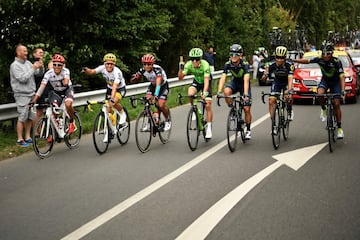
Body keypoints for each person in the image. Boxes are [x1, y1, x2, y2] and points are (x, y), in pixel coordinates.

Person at [293, 43, 345, 139]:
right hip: (325, 81)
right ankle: (324, 109)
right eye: (323, 53)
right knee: (319, 94)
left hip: (335, 82)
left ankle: (339, 128)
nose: (325, 56)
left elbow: (342, 77)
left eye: (327, 54)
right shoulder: (319, 59)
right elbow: (306, 61)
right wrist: (294, 60)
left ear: (332, 53)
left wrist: (343, 90)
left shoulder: (337, 61)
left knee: (336, 104)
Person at [30, 54, 77, 134]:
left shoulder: (66, 71)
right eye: (54, 64)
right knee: (53, 109)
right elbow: (41, 88)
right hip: (57, 92)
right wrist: (34, 100)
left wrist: (64, 82)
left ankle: (72, 122)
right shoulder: (48, 73)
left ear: (63, 66)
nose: (57, 67)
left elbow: (66, 82)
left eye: (59, 65)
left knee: (68, 104)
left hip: (67, 89)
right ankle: (55, 132)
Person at [10, 44, 43, 147]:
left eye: (26, 51)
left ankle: (28, 137)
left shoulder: (28, 63)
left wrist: (41, 67)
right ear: (18, 52)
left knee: (30, 117)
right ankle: (20, 139)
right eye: (24, 51)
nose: (26, 53)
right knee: (22, 117)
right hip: (21, 95)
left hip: (31, 95)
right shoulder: (14, 65)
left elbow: (38, 74)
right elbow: (22, 79)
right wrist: (33, 68)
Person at [217, 44, 252, 140]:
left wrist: (245, 93)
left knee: (246, 109)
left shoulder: (244, 64)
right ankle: (233, 110)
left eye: (236, 55)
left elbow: (246, 79)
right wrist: (219, 91)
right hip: (235, 82)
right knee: (226, 91)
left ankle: (248, 130)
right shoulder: (227, 64)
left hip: (244, 84)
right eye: (231, 54)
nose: (233, 57)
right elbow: (223, 77)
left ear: (240, 55)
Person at [82, 53, 127, 128]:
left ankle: (123, 114)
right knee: (108, 108)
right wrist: (86, 70)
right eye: (107, 64)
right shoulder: (102, 68)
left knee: (113, 102)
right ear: (104, 63)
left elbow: (115, 87)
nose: (109, 66)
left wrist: (112, 99)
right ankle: (110, 128)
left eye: (111, 64)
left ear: (114, 64)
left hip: (119, 88)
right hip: (109, 88)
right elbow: (92, 71)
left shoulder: (117, 72)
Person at [178, 47, 213, 139]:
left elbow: (206, 81)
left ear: (200, 59)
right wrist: (181, 69)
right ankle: (194, 109)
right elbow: (180, 78)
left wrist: (205, 92)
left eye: (196, 59)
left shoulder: (205, 65)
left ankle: (209, 127)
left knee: (208, 104)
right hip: (197, 81)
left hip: (206, 82)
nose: (194, 61)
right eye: (192, 59)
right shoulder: (189, 65)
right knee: (190, 93)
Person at [130, 53, 171, 131]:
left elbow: (158, 83)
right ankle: (149, 122)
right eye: (144, 64)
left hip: (162, 86)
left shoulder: (157, 69)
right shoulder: (142, 70)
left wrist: (155, 95)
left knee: (161, 104)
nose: (146, 66)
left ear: (152, 64)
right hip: (152, 85)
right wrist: (133, 78)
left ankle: (167, 120)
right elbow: (135, 78)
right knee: (147, 102)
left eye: (149, 64)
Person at [264, 46, 295, 125]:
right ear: (275, 57)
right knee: (271, 100)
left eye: (282, 58)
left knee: (288, 96)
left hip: (287, 82)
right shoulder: (271, 64)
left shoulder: (289, 65)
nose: (279, 60)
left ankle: (289, 110)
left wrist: (290, 90)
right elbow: (263, 80)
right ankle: (273, 124)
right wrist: (265, 74)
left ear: (285, 58)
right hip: (277, 82)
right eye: (277, 57)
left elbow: (290, 78)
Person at [32, 47, 49, 125]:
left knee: (41, 112)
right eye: (40, 52)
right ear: (34, 54)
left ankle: (40, 130)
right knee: (38, 112)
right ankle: (37, 132)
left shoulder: (40, 62)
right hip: (38, 90)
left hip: (42, 90)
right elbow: (39, 75)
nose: (42, 54)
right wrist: (41, 67)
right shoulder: (35, 63)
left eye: (42, 52)